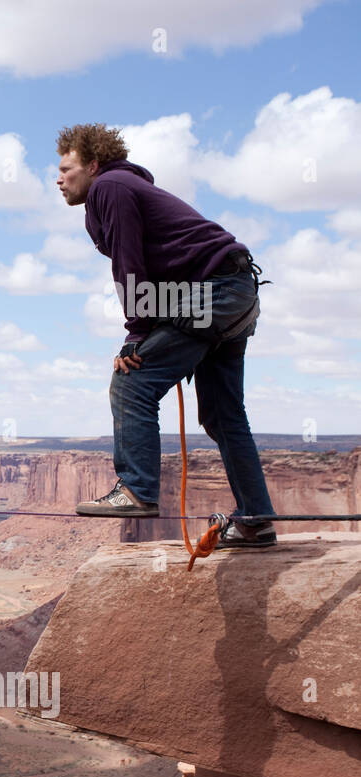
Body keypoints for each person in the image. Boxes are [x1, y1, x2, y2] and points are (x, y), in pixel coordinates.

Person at [55, 123, 277, 548]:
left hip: (212, 293)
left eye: (67, 168)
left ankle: (136, 491)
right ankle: (256, 519)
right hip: (234, 291)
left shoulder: (110, 187)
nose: (58, 178)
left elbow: (129, 263)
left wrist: (137, 334)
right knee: (223, 415)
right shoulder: (121, 189)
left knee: (131, 381)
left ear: (94, 165)